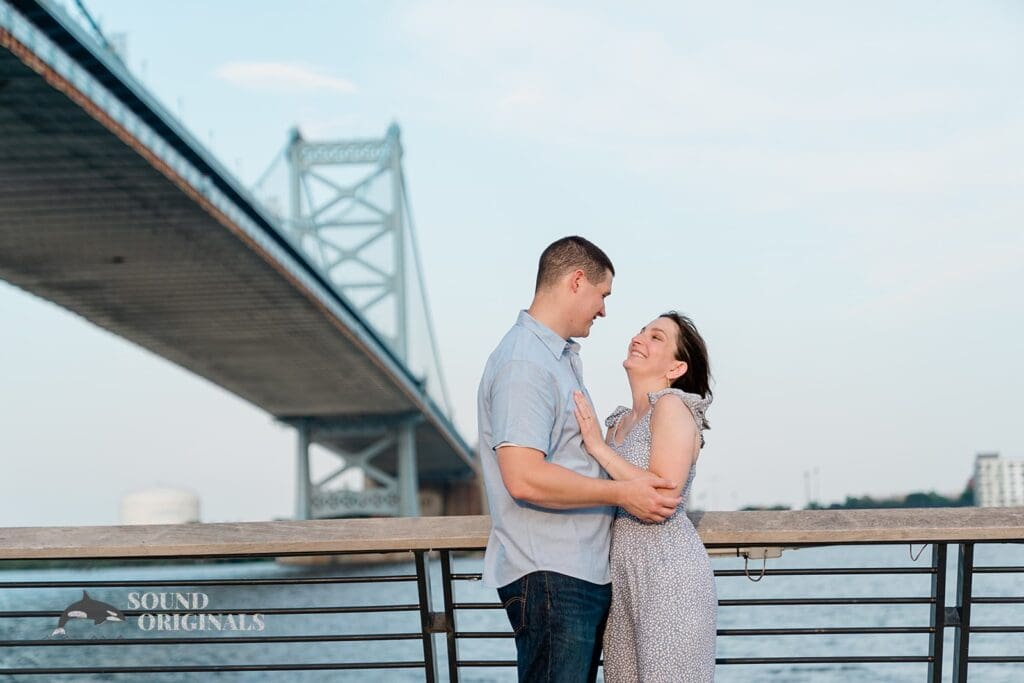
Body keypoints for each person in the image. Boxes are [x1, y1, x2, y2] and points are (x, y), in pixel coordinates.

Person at [478, 236, 682, 683]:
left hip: (571, 575)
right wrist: (623, 492)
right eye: (602, 295)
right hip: (553, 575)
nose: (604, 310)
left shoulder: (555, 359)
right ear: (576, 282)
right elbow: (524, 478)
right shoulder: (525, 363)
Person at [572, 312, 716, 682]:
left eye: (656, 338)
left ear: (676, 367)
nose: (639, 338)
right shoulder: (616, 423)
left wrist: (596, 448)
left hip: (668, 572)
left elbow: (662, 494)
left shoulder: (671, 406)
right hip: (620, 577)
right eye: (640, 331)